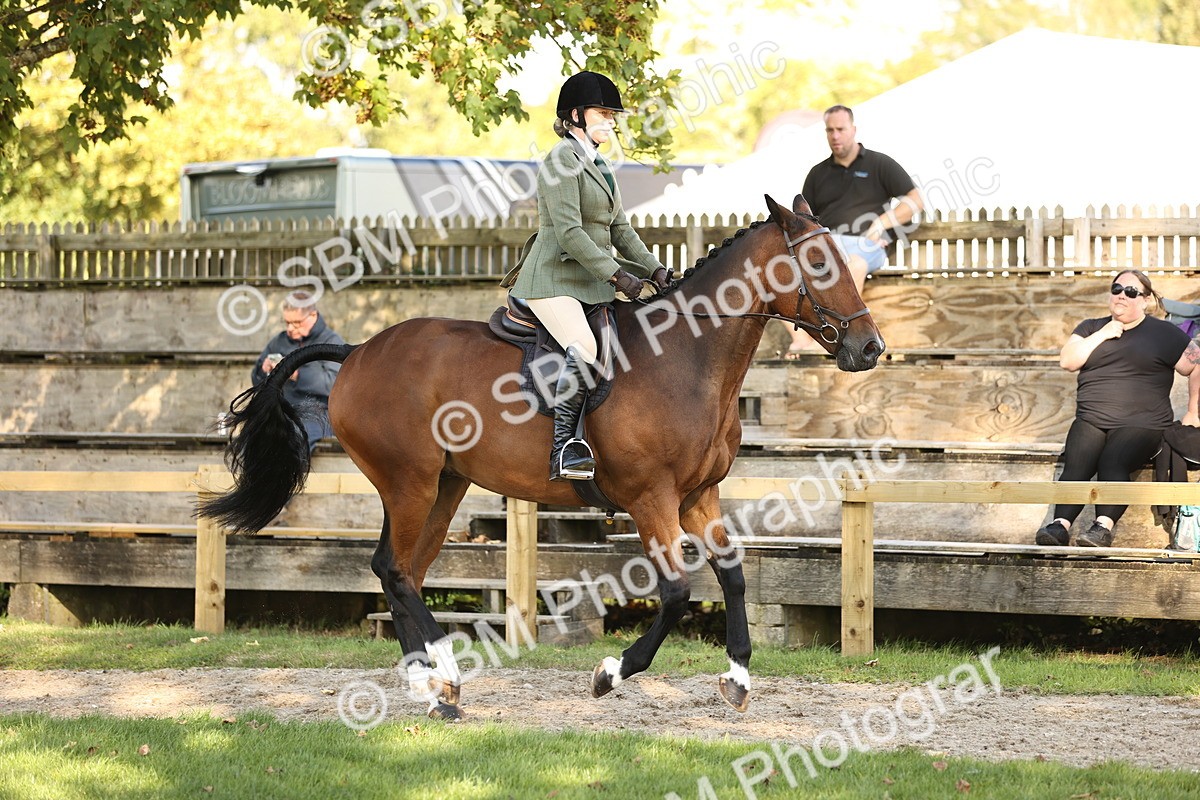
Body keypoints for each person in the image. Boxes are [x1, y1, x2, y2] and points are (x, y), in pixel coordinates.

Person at [504, 70, 672, 481]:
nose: (611, 121)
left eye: (612, 114)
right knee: (584, 346)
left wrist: (655, 270)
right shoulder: (560, 160)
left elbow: (620, 230)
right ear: (576, 114)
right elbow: (570, 234)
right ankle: (564, 449)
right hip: (553, 279)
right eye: (603, 112)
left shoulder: (599, 163)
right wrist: (619, 277)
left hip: (589, 281)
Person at [1035, 270, 1200, 548]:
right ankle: (1059, 526)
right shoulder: (1090, 327)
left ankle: (1102, 528)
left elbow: (1195, 366)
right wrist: (1103, 333)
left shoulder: (1164, 333)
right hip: (1092, 418)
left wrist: (1193, 411)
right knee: (1077, 464)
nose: (1122, 294)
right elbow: (1068, 361)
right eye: (1117, 289)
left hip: (1142, 422)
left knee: (1112, 461)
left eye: (1132, 291)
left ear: (1145, 300)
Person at [786, 104, 923, 356]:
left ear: (854, 129)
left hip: (866, 245)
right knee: (781, 276)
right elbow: (804, 219)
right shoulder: (817, 173)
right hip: (828, 245)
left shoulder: (880, 163)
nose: (835, 136)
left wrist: (881, 223)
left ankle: (841, 335)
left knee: (855, 264)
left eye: (840, 129)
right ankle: (805, 341)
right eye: (830, 130)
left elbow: (915, 201)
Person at [251, 291, 346, 455]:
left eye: (296, 323)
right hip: (282, 411)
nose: (290, 329)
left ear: (313, 315)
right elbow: (256, 380)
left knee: (294, 436)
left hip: (319, 414)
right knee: (253, 434)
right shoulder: (279, 341)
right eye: (287, 322)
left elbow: (334, 383)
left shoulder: (331, 342)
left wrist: (297, 375)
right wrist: (263, 370)